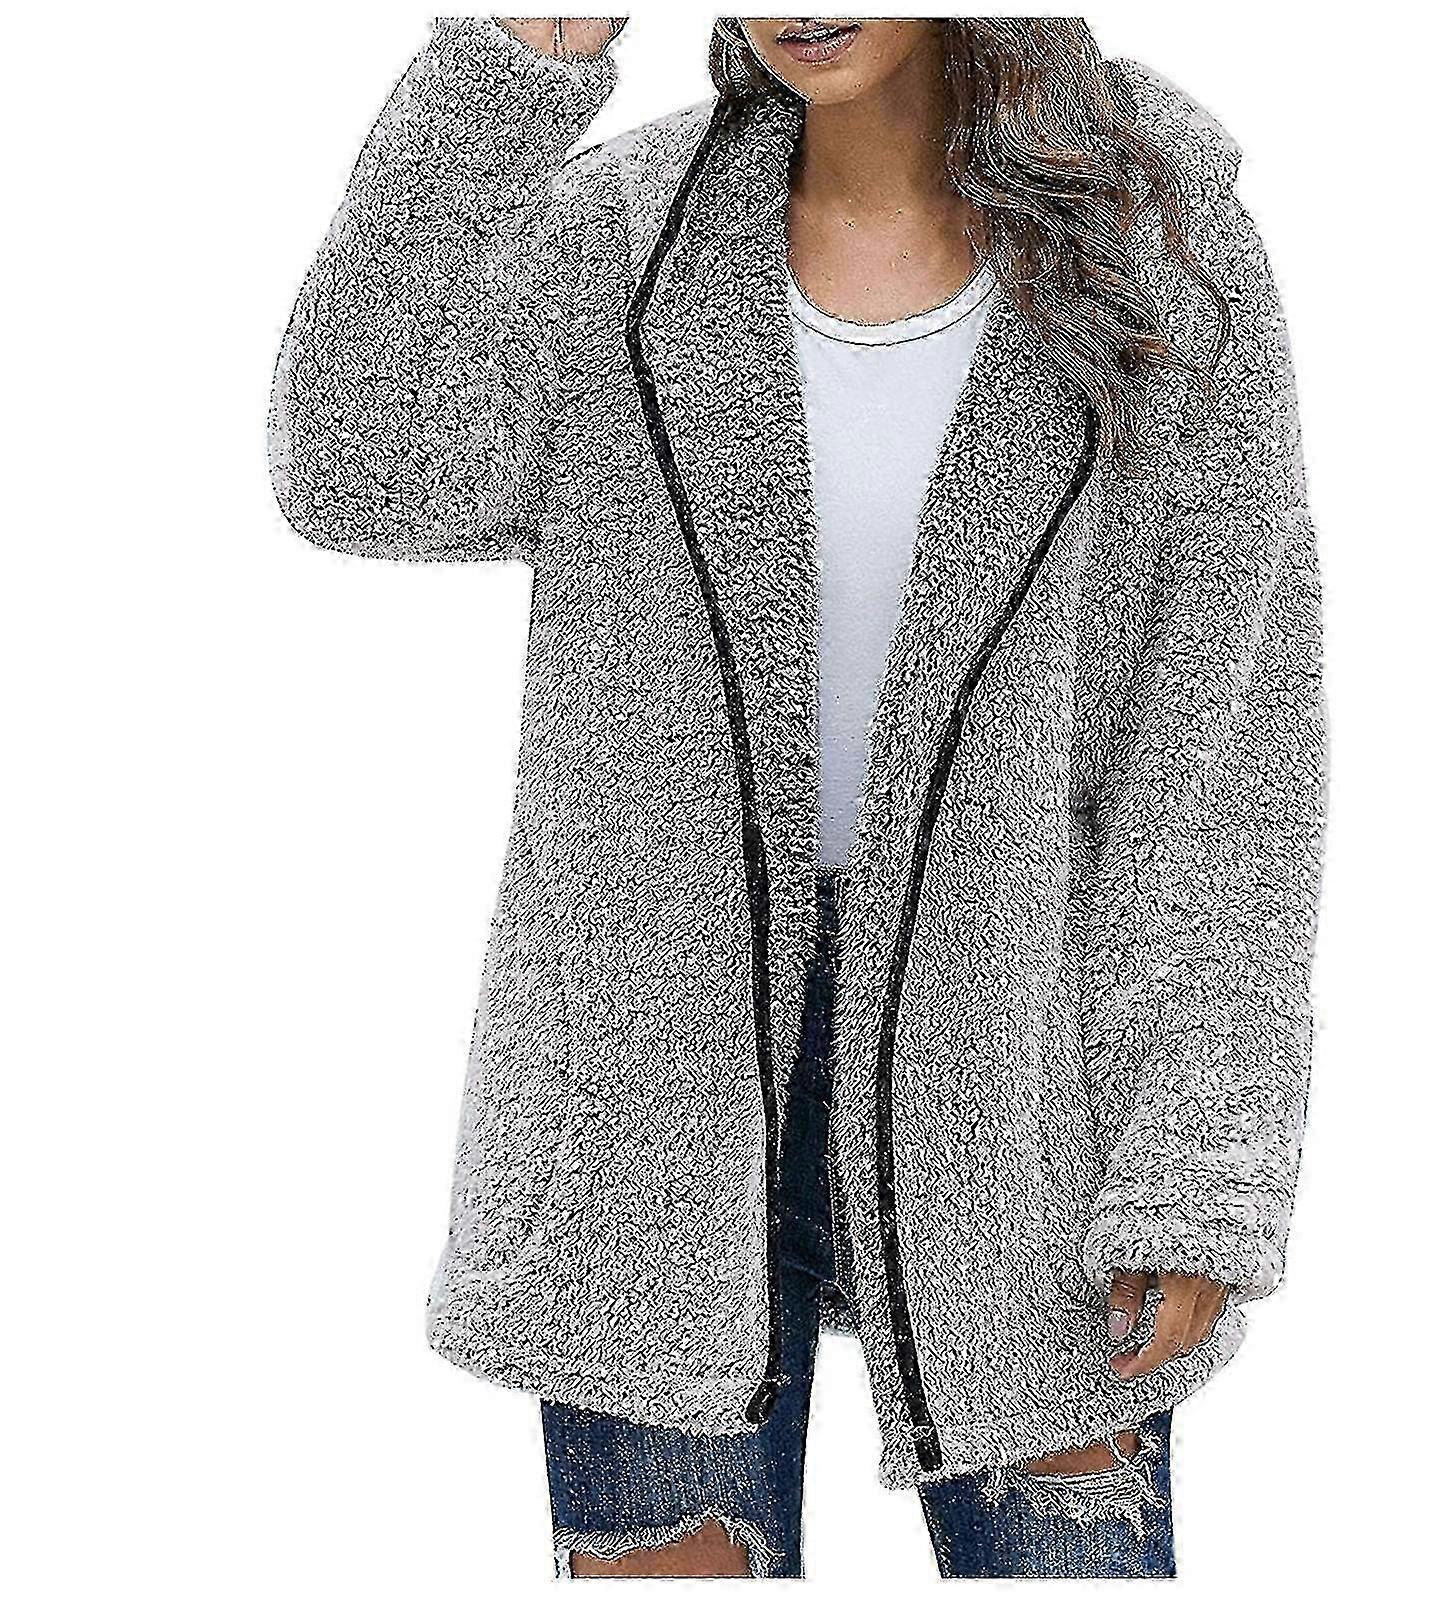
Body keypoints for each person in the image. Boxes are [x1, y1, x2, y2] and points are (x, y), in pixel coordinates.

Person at [268, 15, 1324, 1579]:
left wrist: (1195, 1162)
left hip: (1023, 1077)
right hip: (649, 1087)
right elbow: (358, 466)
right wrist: (516, 62)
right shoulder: (626, 236)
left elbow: (1225, 753)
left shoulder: (1158, 250)